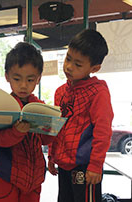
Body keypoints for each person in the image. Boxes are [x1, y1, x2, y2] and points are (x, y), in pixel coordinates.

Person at [48, 29, 114, 202]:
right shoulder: (60, 92)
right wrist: (51, 155)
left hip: (86, 167)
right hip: (63, 163)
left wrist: (96, 165)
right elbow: (57, 127)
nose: (69, 66)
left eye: (78, 64)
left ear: (95, 68)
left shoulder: (98, 92)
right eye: (68, 58)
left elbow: (103, 131)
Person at [0, 42, 55, 202]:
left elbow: (45, 140)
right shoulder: (3, 104)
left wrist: (52, 129)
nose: (23, 85)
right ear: (7, 77)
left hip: (34, 175)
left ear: (38, 79)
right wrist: (17, 132)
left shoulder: (39, 106)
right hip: (6, 175)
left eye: (30, 80)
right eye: (17, 79)